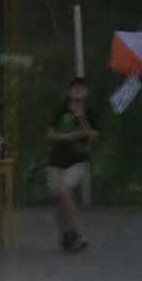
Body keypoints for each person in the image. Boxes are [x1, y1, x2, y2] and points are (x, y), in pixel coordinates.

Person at [44, 77, 96, 252]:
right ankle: (65, 235)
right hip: (56, 160)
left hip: (78, 160)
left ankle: (74, 233)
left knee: (65, 190)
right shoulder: (60, 110)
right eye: (74, 88)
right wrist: (70, 136)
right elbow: (50, 134)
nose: (77, 91)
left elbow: (93, 136)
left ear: (86, 92)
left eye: (81, 88)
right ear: (68, 91)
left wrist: (81, 119)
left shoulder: (90, 112)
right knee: (59, 199)